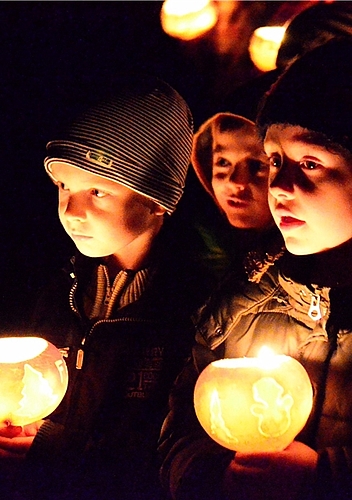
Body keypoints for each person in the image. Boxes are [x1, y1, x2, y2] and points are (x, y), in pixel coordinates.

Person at [0, 75, 214, 500]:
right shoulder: (55, 289)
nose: (71, 211)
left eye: (97, 191)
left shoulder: (194, 307)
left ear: (157, 199)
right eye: (63, 186)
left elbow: (172, 449)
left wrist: (58, 450)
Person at [158, 38, 352, 500]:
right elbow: (177, 439)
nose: (280, 185)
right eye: (276, 160)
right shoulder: (239, 305)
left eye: (310, 162)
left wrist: (326, 478)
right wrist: (215, 476)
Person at [190, 112, 282, 282]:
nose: (235, 182)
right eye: (223, 162)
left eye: (257, 165)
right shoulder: (185, 253)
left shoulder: (304, 267)